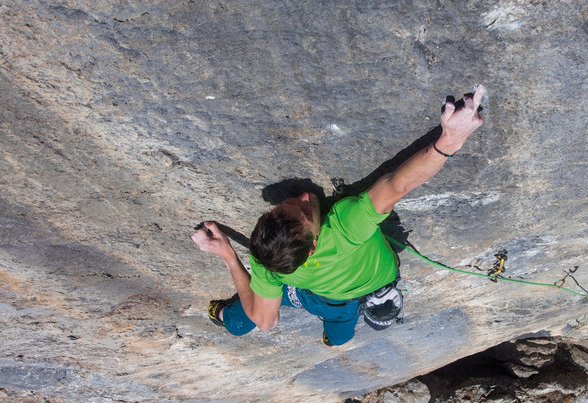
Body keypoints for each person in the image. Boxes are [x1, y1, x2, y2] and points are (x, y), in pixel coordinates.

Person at [191, 85, 485, 346]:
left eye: (291, 204)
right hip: (341, 301)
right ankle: (366, 309)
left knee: (248, 318)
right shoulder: (344, 226)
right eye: (306, 210)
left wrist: (232, 258)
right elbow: (398, 184)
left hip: (322, 298)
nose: (305, 197)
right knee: (339, 338)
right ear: (314, 244)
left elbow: (266, 323)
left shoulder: (266, 262)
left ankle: (229, 316)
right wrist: (449, 141)